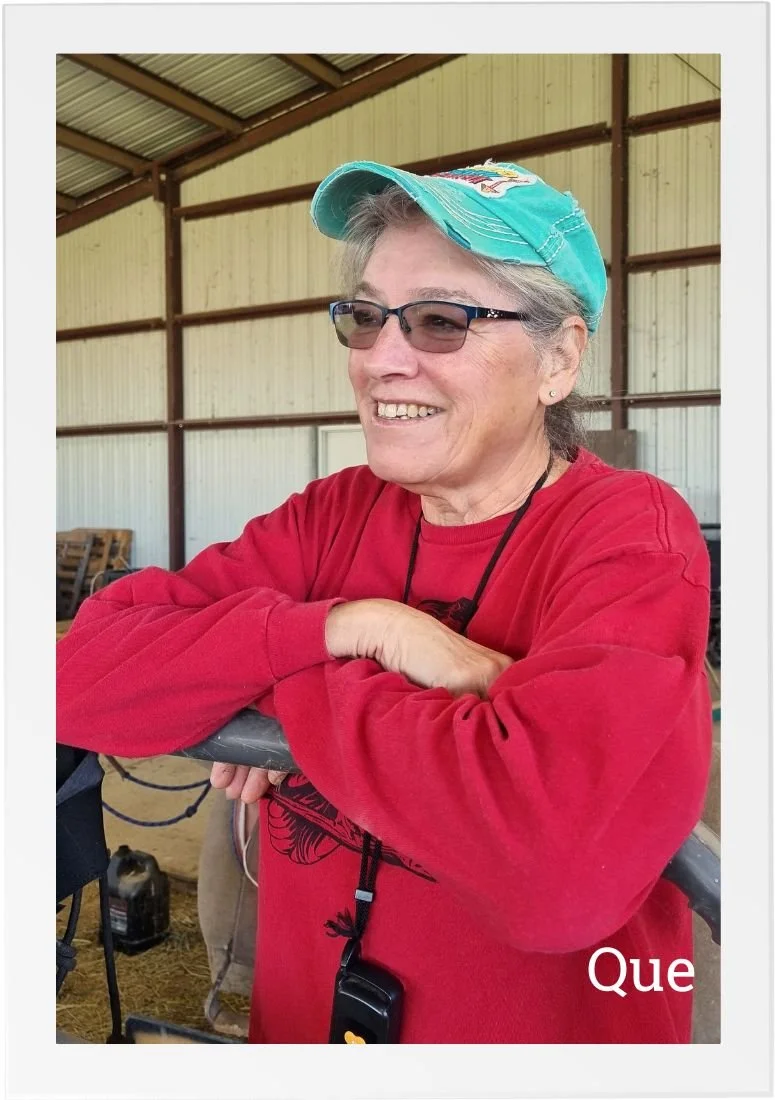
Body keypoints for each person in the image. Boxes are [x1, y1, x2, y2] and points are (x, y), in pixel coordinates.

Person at [57, 159, 712, 1044]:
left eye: (441, 321)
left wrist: (267, 687)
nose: (380, 359)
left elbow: (551, 871)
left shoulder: (628, 536)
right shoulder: (333, 514)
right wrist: (353, 626)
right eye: (364, 317)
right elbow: (76, 675)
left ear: (558, 359)